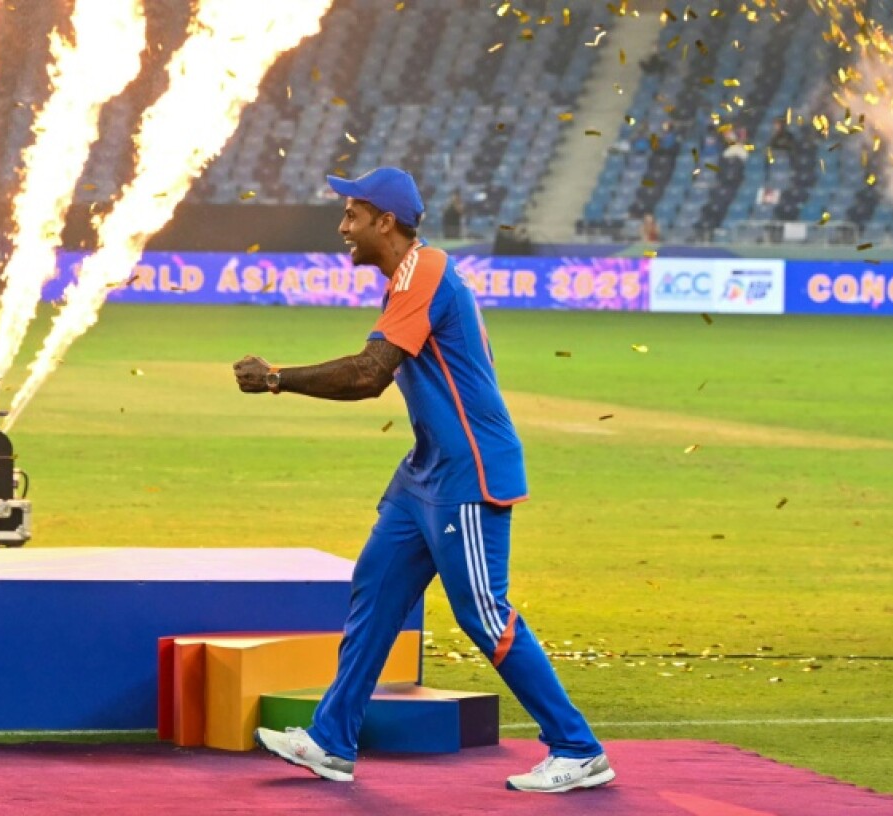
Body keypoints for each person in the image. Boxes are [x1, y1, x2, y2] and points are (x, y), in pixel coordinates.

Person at [233, 167, 613, 794]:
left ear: (386, 222)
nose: (342, 227)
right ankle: (331, 741)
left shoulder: (424, 269)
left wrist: (277, 378)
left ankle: (578, 748)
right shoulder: (408, 278)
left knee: (482, 613)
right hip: (426, 471)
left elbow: (369, 374)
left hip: (467, 468)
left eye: (352, 215)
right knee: (377, 591)